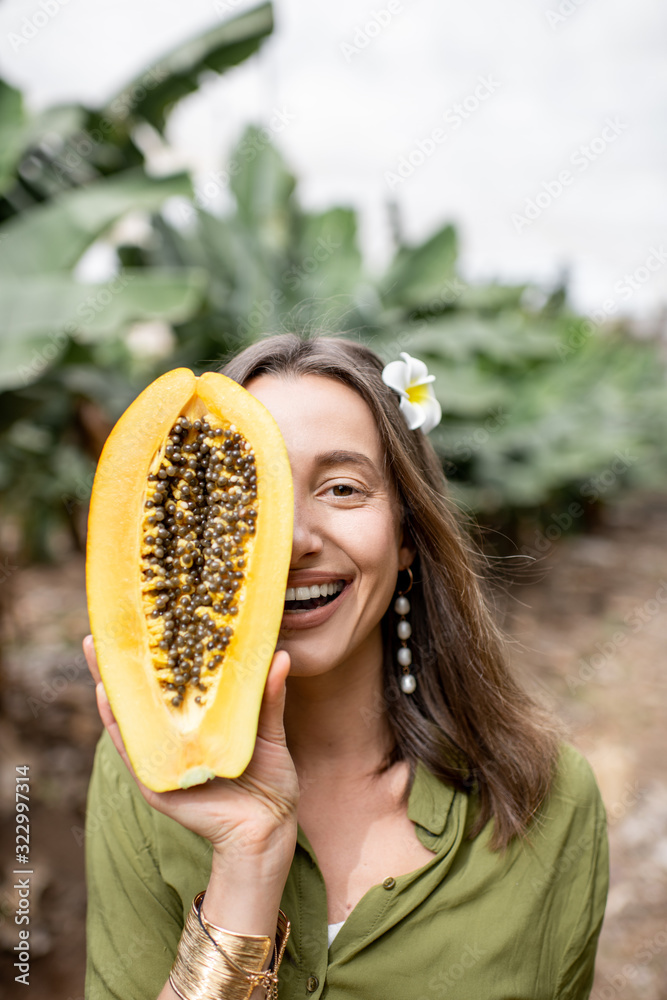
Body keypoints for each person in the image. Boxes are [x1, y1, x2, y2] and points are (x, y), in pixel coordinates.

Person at [83, 333, 609, 1000]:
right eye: (249, 496)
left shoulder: (548, 799)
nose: (295, 540)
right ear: (194, 544)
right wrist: (247, 864)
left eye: (341, 487)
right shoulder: (139, 781)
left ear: (407, 533)